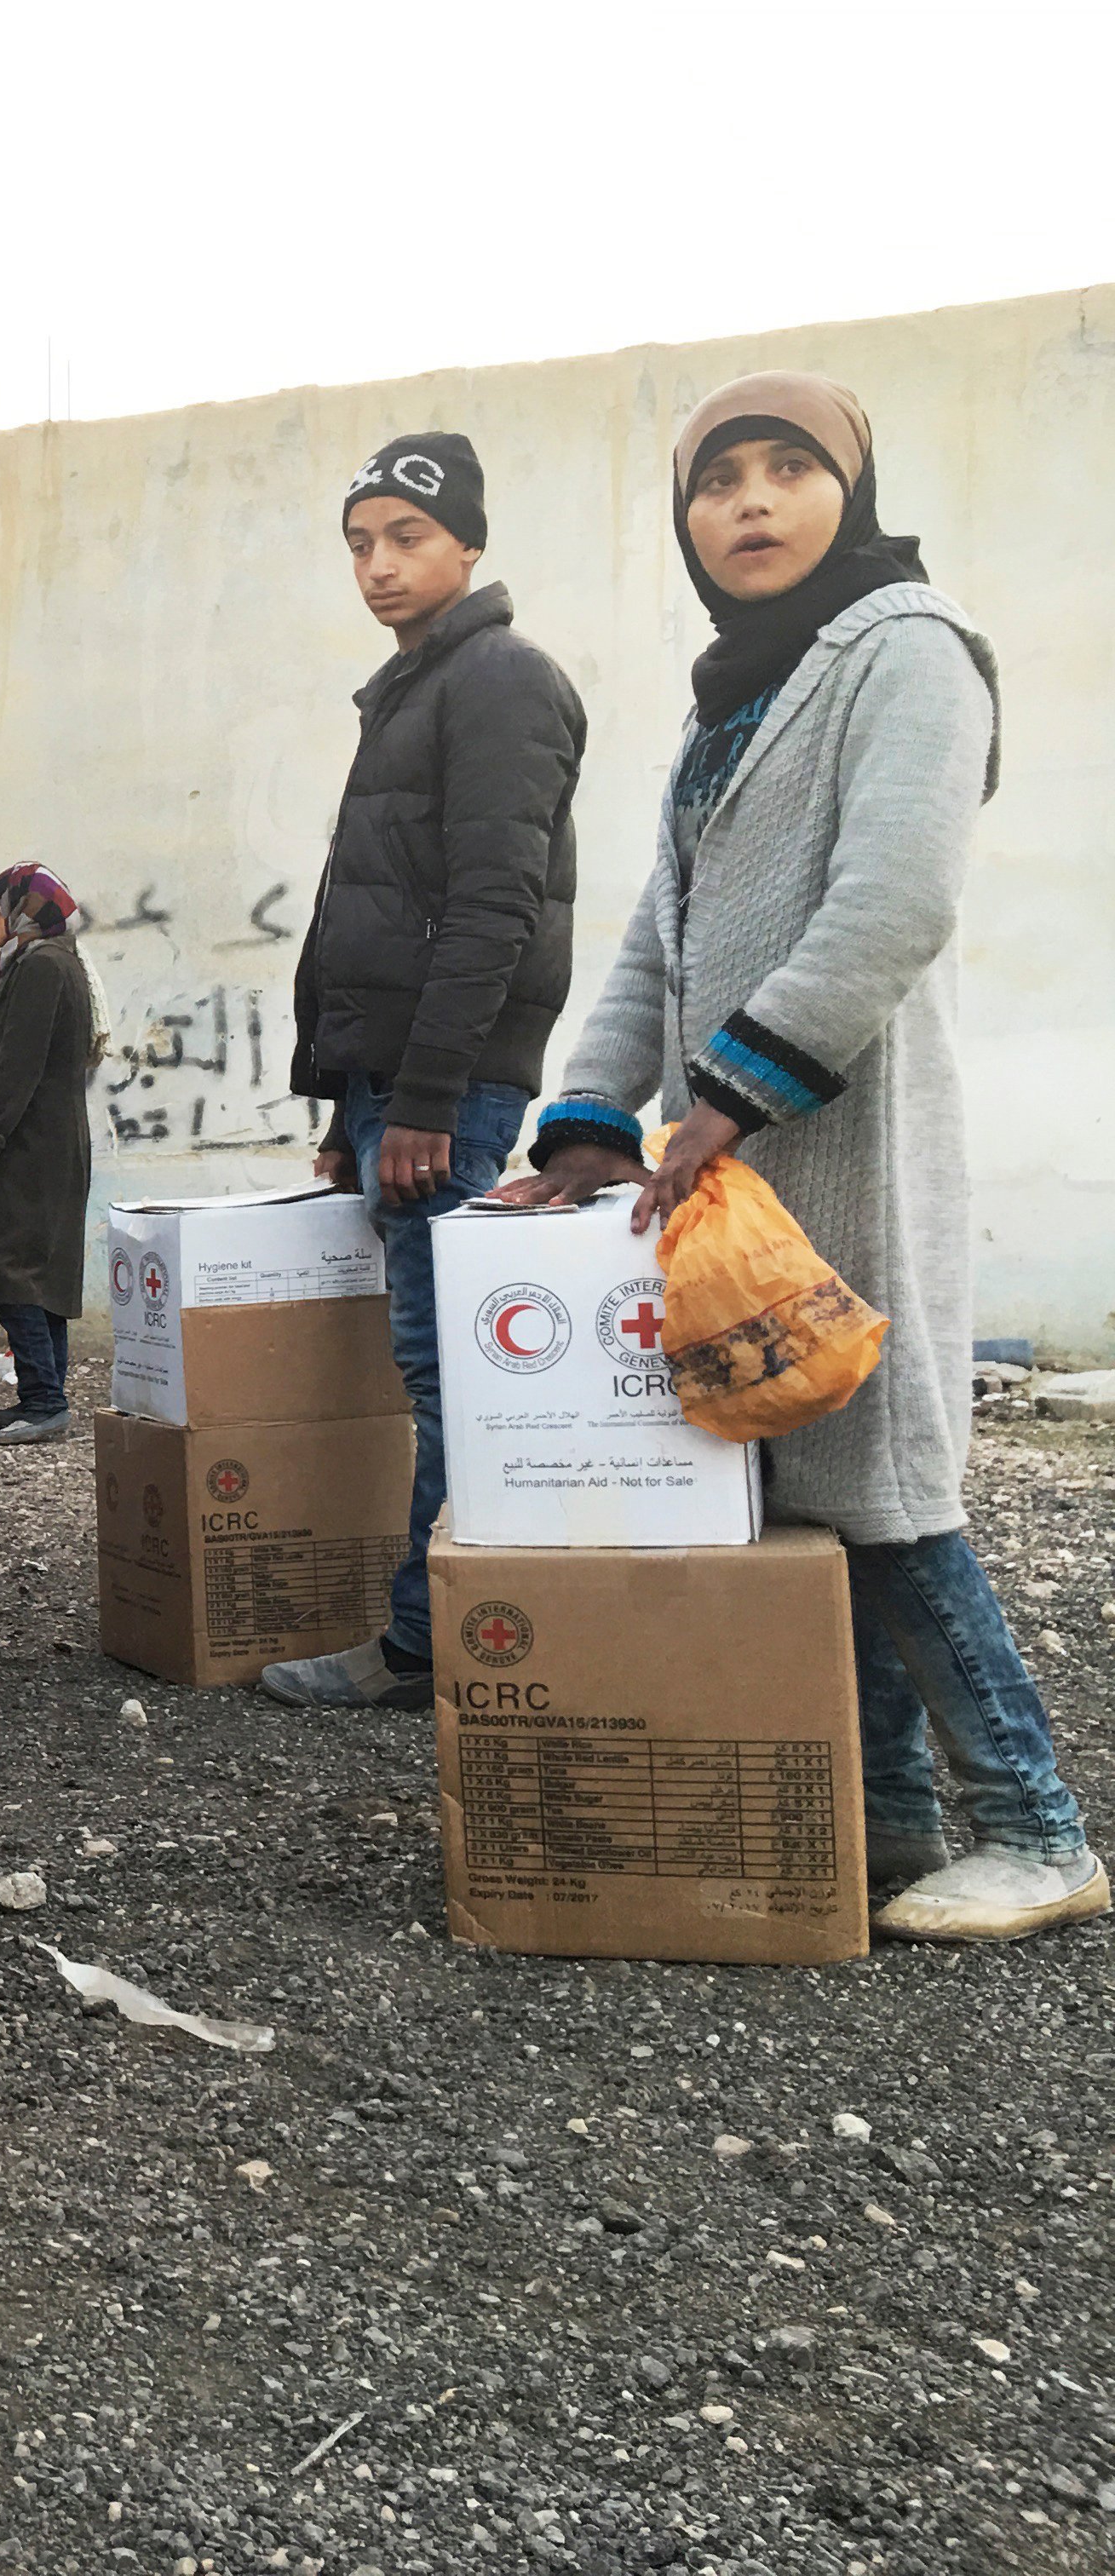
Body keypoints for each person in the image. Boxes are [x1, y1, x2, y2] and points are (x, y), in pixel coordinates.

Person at [510, 371, 1101, 1943]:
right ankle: (894, 1813)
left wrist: (730, 1087)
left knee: (888, 1483)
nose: (750, 503)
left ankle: (1036, 1824)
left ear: (852, 487)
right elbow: (658, 931)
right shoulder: (735, 694)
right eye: (718, 481)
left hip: (851, 1138)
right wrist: (584, 1123)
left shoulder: (907, 647)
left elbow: (894, 898)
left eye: (787, 469)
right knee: (810, 1487)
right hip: (744, 1157)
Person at [261, 432, 586, 1712]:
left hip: (444, 1089)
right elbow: (374, 908)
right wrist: (350, 1101)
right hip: (395, 1086)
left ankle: (430, 1646)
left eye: (405, 538)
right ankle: (453, 1625)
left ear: (468, 545)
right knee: (437, 1358)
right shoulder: (414, 688)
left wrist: (433, 1103)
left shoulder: (499, 680)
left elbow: (492, 910)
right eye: (359, 543)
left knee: (453, 1364)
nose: (379, 566)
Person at [0, 865, 96, 1443]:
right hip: (51, 1142)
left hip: (30, 1147)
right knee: (42, 1270)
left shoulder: (39, 969)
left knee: (16, 1271)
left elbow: (15, 1072)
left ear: (23, 910)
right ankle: (45, 1397)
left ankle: (44, 1400)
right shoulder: (58, 962)